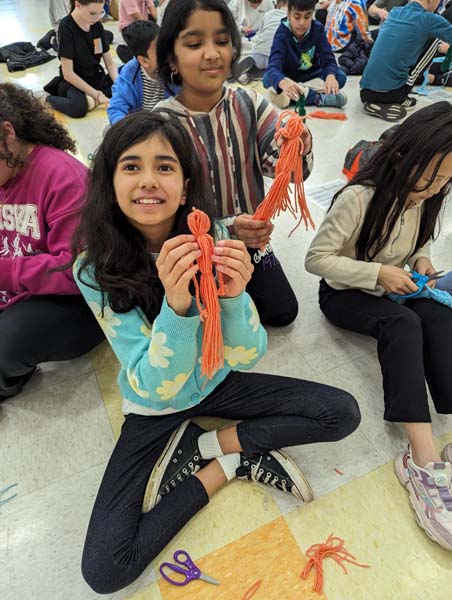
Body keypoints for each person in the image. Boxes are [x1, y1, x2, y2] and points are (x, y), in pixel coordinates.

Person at [72, 110, 361, 594]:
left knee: (341, 413)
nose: (148, 180)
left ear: (186, 187)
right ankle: (227, 464)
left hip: (216, 381)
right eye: (131, 166)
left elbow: (246, 356)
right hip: (155, 406)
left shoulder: (215, 236)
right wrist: (179, 306)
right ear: (109, 182)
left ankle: (213, 448)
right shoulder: (92, 269)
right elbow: (152, 383)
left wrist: (232, 298)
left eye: (165, 167)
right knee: (105, 569)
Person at [305, 102, 452, 552]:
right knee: (403, 324)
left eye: (446, 180)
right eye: (431, 176)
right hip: (345, 292)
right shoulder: (359, 198)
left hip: (394, 283)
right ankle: (420, 460)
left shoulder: (426, 200)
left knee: (439, 313)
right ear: (402, 156)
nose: (435, 188)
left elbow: (419, 239)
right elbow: (316, 260)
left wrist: (421, 260)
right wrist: (377, 274)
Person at [154, 0, 314, 327]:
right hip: (191, 247)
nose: (212, 53)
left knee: (282, 311)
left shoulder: (248, 102)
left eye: (222, 41)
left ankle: (230, 292)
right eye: (195, 44)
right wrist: (226, 227)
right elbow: (160, 211)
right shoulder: (160, 125)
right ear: (172, 57)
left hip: (248, 244)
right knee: (201, 316)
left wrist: (297, 145)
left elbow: (282, 168)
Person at [0, 83, 103, 400]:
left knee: (6, 343)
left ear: (8, 133)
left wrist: (7, 273)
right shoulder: (5, 169)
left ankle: (9, 380)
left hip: (77, 302)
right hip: (19, 286)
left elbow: (78, 270)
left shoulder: (63, 177)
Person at [360, 0, 452, 121]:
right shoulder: (430, 19)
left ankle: (374, 102)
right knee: (435, 42)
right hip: (391, 93)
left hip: (365, 89)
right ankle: (401, 95)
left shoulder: (394, 12)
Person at [263, 0, 348, 108]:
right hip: (289, 77)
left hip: (312, 76)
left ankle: (293, 94)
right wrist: (282, 81)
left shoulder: (317, 29)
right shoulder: (282, 34)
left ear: (312, 14)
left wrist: (330, 76)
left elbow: (328, 59)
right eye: (297, 17)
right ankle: (318, 98)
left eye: (307, 17)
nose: (302, 23)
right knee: (267, 79)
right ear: (288, 15)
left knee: (340, 77)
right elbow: (273, 66)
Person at [45, 0, 118, 118]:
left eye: (101, 13)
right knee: (78, 107)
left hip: (95, 76)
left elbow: (109, 63)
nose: (97, 18)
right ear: (78, 5)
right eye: (93, 13)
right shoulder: (66, 27)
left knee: (126, 83)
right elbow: (68, 73)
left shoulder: (96, 25)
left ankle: (92, 100)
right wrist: (97, 95)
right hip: (74, 81)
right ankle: (46, 98)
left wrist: (119, 84)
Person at [108, 20, 165, 123]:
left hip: (169, 125)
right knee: (109, 131)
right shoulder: (129, 76)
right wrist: (130, 130)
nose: (166, 52)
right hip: (141, 127)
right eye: (159, 50)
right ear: (144, 61)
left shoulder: (174, 67)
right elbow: (116, 109)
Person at [233, 0, 289, 83]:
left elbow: (260, 35)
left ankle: (253, 66)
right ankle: (265, 72)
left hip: (258, 53)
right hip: (274, 57)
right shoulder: (292, 18)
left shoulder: (269, 13)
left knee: (249, 46)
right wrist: (241, 28)